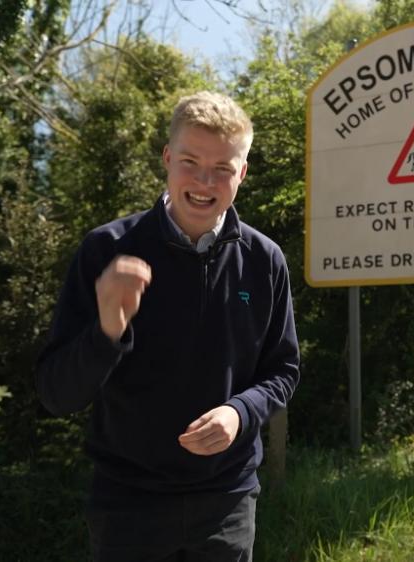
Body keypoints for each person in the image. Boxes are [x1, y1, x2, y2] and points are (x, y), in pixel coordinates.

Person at [36, 91, 300, 561]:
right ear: (166, 158)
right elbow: (57, 395)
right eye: (190, 161)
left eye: (223, 168)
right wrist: (107, 332)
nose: (204, 181)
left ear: (242, 173)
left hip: (227, 500)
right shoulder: (106, 250)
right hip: (127, 506)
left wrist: (240, 413)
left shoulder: (265, 260)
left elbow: (283, 371)